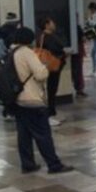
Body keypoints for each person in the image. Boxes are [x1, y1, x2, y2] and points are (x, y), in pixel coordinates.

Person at [10, 27, 73, 175]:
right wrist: (44, 65)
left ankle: (27, 164)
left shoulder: (11, 52)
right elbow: (40, 75)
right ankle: (54, 165)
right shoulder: (26, 53)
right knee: (43, 134)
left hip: (17, 99)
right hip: (31, 99)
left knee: (24, 134)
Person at [38, 18, 67, 124]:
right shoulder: (49, 38)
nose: (54, 24)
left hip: (47, 66)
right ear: (46, 25)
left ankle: (51, 111)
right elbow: (57, 49)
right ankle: (50, 112)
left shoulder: (41, 37)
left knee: (51, 89)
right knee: (52, 88)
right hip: (52, 66)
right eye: (51, 22)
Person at [71, 21, 86, 98]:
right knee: (78, 71)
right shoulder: (77, 27)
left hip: (74, 52)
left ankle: (78, 88)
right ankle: (79, 89)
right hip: (78, 52)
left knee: (74, 71)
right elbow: (83, 38)